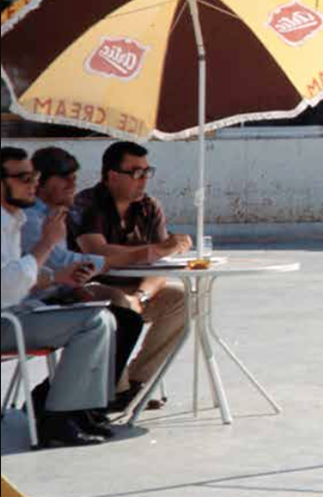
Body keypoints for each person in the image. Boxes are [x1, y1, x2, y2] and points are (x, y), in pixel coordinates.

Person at [2, 146, 117, 447]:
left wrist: (57, 278)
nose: (33, 184)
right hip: (7, 320)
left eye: (34, 177)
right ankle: (59, 416)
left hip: (20, 312)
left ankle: (77, 411)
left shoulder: (14, 221)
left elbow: (20, 276)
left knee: (108, 318)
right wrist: (46, 244)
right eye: (24, 178)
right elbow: (9, 284)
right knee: (96, 321)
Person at [73, 141, 190, 412]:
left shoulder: (150, 207)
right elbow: (97, 252)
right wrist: (153, 250)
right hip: (89, 289)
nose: (144, 179)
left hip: (138, 292)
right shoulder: (86, 203)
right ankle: (116, 389)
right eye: (136, 172)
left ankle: (137, 382)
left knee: (183, 299)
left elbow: (160, 264)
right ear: (112, 176)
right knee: (117, 301)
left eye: (147, 172)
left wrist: (141, 294)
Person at [22, 147, 145, 396]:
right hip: (30, 308)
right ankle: (60, 405)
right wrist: (111, 260)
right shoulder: (31, 219)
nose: (72, 183)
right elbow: (61, 263)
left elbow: (64, 269)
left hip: (54, 296)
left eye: (74, 176)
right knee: (108, 320)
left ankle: (90, 403)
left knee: (124, 315)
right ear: (41, 183)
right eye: (64, 177)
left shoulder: (53, 214)